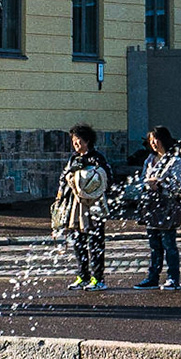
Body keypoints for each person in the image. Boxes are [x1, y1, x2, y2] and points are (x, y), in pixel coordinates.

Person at [52, 123, 110, 290]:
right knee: (78, 242)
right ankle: (82, 276)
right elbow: (63, 179)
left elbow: (106, 180)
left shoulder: (97, 158)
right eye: (74, 141)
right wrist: (60, 196)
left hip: (93, 207)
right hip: (75, 207)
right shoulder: (73, 159)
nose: (75, 145)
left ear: (87, 141)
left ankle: (98, 279)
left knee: (96, 242)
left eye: (78, 141)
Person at [134, 126, 181, 290]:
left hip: (167, 206)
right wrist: (147, 184)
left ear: (163, 139)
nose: (153, 143)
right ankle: (152, 277)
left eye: (156, 139)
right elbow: (143, 178)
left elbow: (178, 185)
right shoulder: (149, 159)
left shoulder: (174, 161)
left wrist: (161, 183)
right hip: (151, 205)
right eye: (151, 140)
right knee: (154, 245)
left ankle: (173, 278)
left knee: (169, 244)